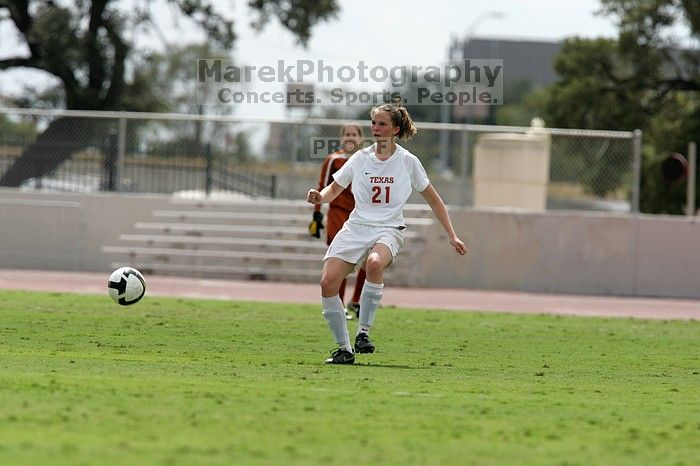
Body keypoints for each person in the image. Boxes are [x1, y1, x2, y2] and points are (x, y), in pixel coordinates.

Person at [306, 102, 467, 364]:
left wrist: (452, 234)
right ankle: (344, 349)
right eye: (374, 123)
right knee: (328, 282)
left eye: (382, 124)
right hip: (356, 227)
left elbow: (434, 200)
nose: (376, 129)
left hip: (389, 229)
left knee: (374, 262)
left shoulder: (407, 162)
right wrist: (319, 197)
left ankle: (363, 333)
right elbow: (333, 190)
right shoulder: (360, 158)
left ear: (395, 129)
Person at [308, 125, 367, 320]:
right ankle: (339, 305)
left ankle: (356, 301)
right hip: (337, 214)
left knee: (368, 260)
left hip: (360, 216)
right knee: (339, 259)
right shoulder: (334, 160)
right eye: (347, 134)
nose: (350, 137)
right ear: (341, 138)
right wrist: (317, 215)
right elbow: (322, 187)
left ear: (360, 138)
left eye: (354, 134)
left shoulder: (367, 161)